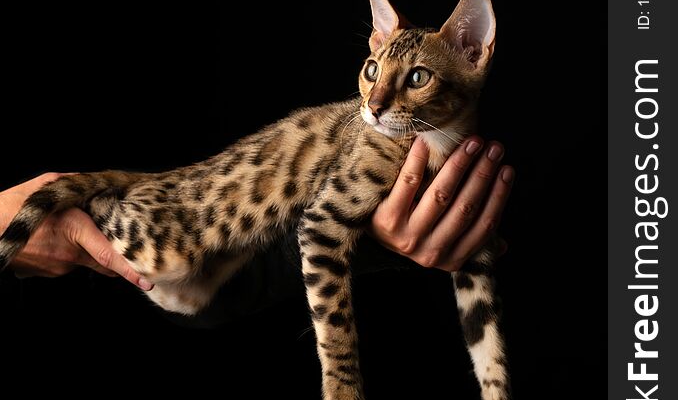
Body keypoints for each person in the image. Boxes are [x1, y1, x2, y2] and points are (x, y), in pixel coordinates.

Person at [0, 137, 512, 322]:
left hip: (215, 263)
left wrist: (364, 237)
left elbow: (245, 274)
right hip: (133, 241)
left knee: (182, 283)